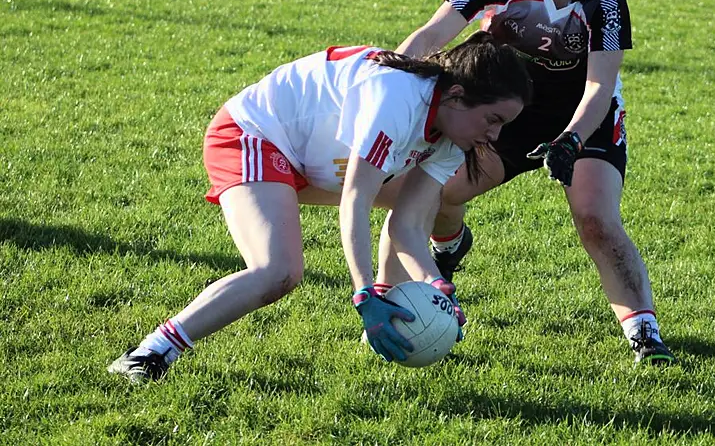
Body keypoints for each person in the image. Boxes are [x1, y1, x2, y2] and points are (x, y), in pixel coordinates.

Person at [108, 31, 532, 383]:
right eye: (493, 119)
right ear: (457, 96)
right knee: (278, 271)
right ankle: (150, 354)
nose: (493, 135)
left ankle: (402, 288)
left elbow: (406, 223)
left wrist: (435, 286)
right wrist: (363, 293)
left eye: (503, 126)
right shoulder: (398, 98)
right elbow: (356, 199)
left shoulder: (454, 138)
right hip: (254, 135)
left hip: (318, 160)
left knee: (427, 204)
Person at [394, 0, 675, 364]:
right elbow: (436, 32)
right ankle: (450, 244)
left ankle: (645, 335)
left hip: (581, 116)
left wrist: (570, 140)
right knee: (440, 188)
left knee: (595, 219)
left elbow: (599, 84)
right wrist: (389, 80)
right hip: (503, 109)